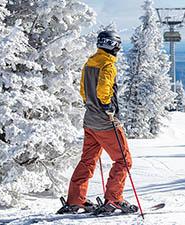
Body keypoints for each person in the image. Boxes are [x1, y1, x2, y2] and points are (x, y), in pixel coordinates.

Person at [57, 30, 135, 215]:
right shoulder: (108, 65)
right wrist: (108, 108)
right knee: (123, 161)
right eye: (117, 45)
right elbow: (103, 91)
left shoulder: (90, 62)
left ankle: (76, 200)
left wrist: (92, 106)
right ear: (112, 45)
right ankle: (114, 199)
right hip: (105, 122)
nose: (118, 48)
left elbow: (83, 91)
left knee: (87, 161)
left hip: (90, 120)